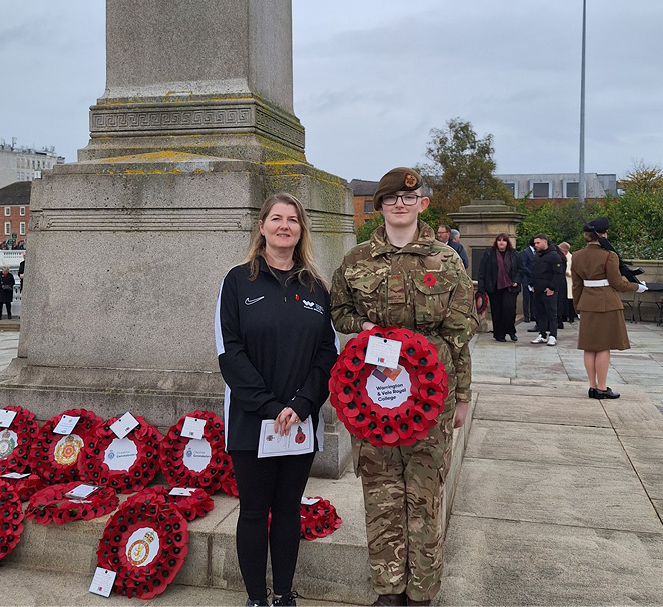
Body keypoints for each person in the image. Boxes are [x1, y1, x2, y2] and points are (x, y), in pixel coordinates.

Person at [331, 167, 478, 606]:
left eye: (408, 198)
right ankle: (388, 589)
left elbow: (459, 335)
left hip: (431, 400)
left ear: (422, 204)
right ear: (379, 207)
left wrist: (464, 396)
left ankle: (422, 592)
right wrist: (367, 327)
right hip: (373, 396)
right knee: (380, 493)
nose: (400, 204)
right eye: (391, 198)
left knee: (425, 495)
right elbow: (339, 312)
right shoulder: (356, 261)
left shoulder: (447, 260)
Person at [216, 192, 338, 607]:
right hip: (254, 420)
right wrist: (270, 407)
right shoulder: (236, 281)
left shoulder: (317, 287)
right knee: (253, 511)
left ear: (301, 230)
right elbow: (228, 352)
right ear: (262, 227)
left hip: (300, 422)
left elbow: (327, 354)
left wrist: (302, 405)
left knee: (288, 510)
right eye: (276, 218)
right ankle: (256, 598)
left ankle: (285, 595)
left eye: (293, 220)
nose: (284, 225)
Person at [571, 217, 646, 399]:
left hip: (587, 303)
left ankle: (592, 386)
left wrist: (578, 308)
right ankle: (602, 388)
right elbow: (617, 283)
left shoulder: (576, 255)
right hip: (606, 304)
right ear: (603, 234)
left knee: (589, 347)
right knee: (603, 347)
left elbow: (576, 285)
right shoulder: (609, 256)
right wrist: (637, 287)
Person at [477, 233, 520, 342]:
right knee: (497, 311)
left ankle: (511, 331)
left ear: (507, 242)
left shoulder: (514, 254)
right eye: (499, 240)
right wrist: (481, 288)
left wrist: (516, 280)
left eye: (504, 240)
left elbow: (521, 269)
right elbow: (482, 270)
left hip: (510, 287)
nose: (501, 242)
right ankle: (499, 334)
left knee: (509, 310)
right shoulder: (489, 254)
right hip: (494, 287)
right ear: (496, 242)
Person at [529, 234, 562, 346]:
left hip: (549, 290)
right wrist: (532, 284)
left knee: (552, 313)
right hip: (537, 289)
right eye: (535, 243)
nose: (536, 245)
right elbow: (534, 271)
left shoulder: (554, 256)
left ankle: (553, 335)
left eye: (538, 243)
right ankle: (542, 334)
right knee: (540, 313)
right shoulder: (537, 256)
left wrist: (552, 287)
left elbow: (558, 274)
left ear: (545, 242)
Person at [519, 238, 537, 330]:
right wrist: (530, 273)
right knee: (526, 298)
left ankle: (533, 315)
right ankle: (526, 316)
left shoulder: (537, 253)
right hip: (526, 278)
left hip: (534, 279)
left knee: (534, 298)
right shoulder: (525, 252)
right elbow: (523, 265)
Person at [558, 242, 575, 325]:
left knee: (570, 300)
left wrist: (568, 273)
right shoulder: (560, 257)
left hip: (569, 281)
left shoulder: (571, 258)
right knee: (563, 300)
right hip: (562, 281)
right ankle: (564, 316)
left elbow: (575, 271)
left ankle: (571, 317)